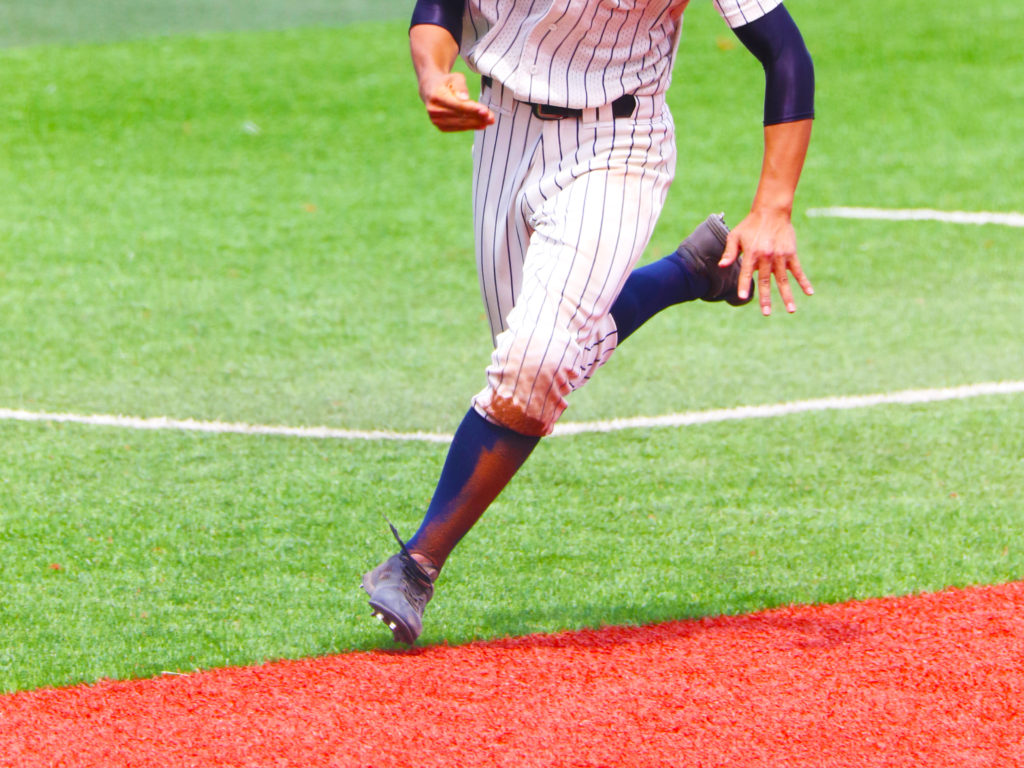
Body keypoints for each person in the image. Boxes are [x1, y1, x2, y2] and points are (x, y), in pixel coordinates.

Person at [362, 0, 816, 644]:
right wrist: (433, 74)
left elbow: (785, 51)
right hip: (500, 135)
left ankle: (416, 564)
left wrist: (773, 206)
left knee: (536, 365)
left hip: (618, 143)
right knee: (525, 377)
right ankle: (688, 272)